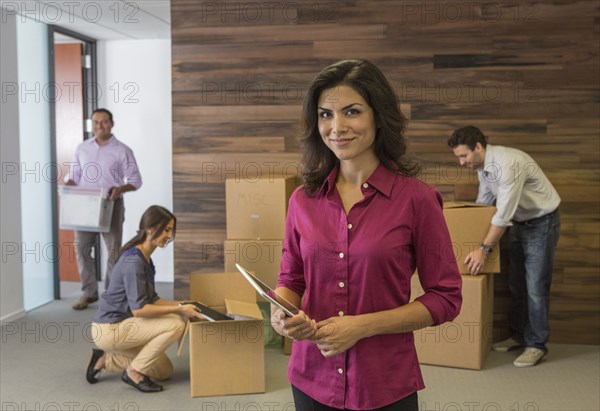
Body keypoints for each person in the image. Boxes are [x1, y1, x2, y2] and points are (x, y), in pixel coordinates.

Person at [270, 60, 462, 411]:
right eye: (325, 114)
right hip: (311, 377)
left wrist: (362, 327)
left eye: (352, 112)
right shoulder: (302, 199)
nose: (336, 127)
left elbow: (446, 298)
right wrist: (281, 313)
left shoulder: (417, 199)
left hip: (383, 382)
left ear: (379, 115)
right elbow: (291, 279)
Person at [447, 126, 561, 368]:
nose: (461, 162)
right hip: (519, 224)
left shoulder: (508, 164)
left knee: (535, 287)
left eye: (463, 156)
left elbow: (502, 215)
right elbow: (484, 204)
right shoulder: (483, 167)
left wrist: (483, 249)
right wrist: (467, 235)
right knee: (517, 285)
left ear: (478, 147)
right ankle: (519, 336)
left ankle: (537, 345)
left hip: (541, 223)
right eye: (458, 157)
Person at [86, 205, 203, 393]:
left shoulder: (145, 258)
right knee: (175, 323)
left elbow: (153, 299)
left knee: (164, 370)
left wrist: (183, 304)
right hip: (110, 328)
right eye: (166, 229)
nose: (170, 235)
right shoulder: (134, 262)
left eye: (171, 230)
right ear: (150, 228)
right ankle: (133, 372)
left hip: (126, 325)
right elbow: (140, 309)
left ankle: (106, 359)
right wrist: (179, 310)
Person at [65, 108, 142, 310]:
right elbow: (74, 176)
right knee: (82, 249)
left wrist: (120, 189)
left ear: (112, 124)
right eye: (96, 122)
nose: (100, 126)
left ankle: (112, 295)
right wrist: (69, 185)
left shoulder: (122, 150)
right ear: (92, 125)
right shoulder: (82, 148)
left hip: (111, 204)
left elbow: (135, 181)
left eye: (104, 122)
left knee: (114, 252)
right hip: (85, 205)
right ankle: (89, 293)